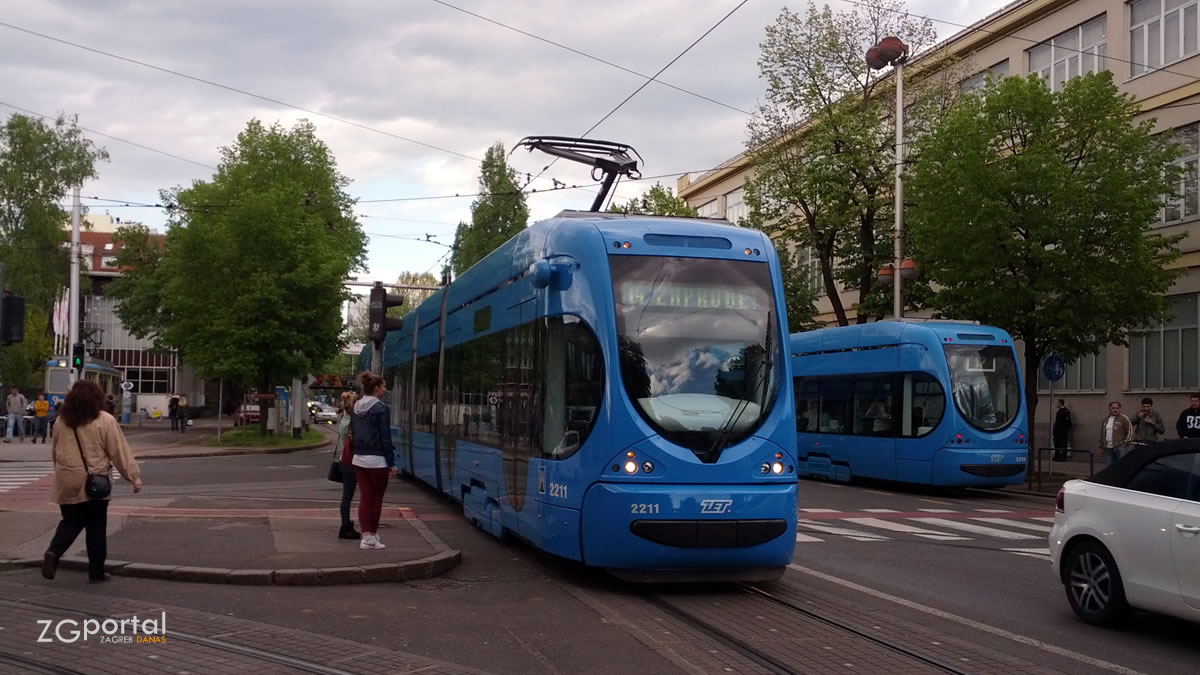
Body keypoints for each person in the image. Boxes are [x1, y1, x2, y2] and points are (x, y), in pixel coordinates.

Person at [42, 379, 142, 583]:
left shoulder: (62, 421)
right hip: (95, 481)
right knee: (96, 527)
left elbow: (56, 451)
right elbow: (119, 451)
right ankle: (96, 572)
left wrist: (60, 474)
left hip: (67, 477)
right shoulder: (104, 420)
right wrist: (133, 477)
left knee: (70, 520)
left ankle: (54, 551)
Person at [350, 371, 397, 550]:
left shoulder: (355, 406)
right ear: (376, 388)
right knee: (376, 499)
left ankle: (365, 536)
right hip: (377, 460)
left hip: (358, 459)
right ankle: (372, 537)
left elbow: (354, 433)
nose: (385, 389)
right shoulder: (381, 408)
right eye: (384, 386)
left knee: (365, 498)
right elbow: (385, 438)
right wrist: (391, 463)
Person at [334, 391, 361, 540]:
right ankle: (345, 527)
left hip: (344, 460)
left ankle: (346, 525)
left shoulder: (345, 419)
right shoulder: (353, 422)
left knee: (346, 496)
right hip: (351, 461)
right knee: (348, 496)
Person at [1098, 401, 1133, 467]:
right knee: (1109, 466)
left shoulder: (1123, 418)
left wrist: (1126, 442)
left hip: (1120, 446)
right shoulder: (1105, 420)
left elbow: (1130, 430)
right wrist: (1101, 446)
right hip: (1108, 447)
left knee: (1121, 465)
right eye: (1113, 408)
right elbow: (1102, 433)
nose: (1115, 410)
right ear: (1109, 408)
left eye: (1117, 408)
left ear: (1119, 409)